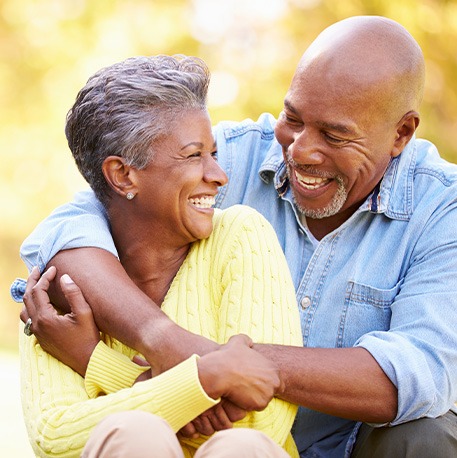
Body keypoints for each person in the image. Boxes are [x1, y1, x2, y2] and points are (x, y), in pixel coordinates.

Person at [13, 15, 457, 457]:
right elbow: (67, 229)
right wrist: (165, 341)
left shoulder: (443, 209)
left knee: (428, 435)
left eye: (335, 135)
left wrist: (213, 367)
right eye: (294, 118)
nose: (300, 151)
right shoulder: (232, 154)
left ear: (401, 133)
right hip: (218, 444)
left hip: (348, 447)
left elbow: (417, 373)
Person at [14, 54, 303, 457]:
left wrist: (95, 361)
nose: (219, 176)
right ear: (123, 175)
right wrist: (205, 380)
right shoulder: (58, 290)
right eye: (193, 155)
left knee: (238, 446)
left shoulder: (240, 235)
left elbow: (262, 421)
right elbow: (56, 437)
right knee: (133, 436)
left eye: (214, 154)